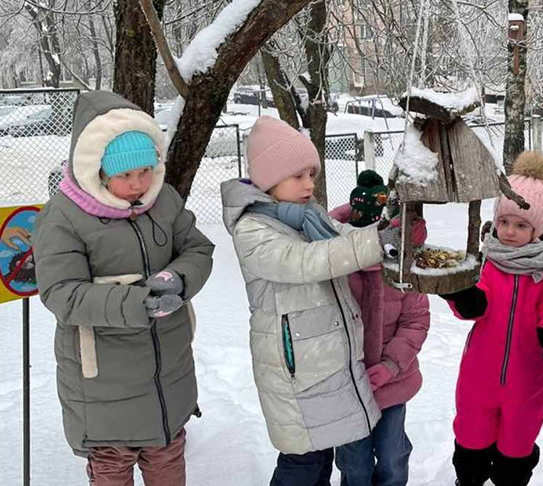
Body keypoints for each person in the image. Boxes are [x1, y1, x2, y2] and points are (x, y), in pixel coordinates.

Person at [34, 90, 214, 485]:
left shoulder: (162, 200)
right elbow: (61, 291)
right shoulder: (64, 218)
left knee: (167, 456)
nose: (138, 185)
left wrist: (178, 279)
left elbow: (198, 248)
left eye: (145, 171)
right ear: (97, 172)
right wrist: (136, 303)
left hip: (167, 373)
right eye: (124, 176)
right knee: (113, 466)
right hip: (103, 380)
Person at [220, 117, 400, 486]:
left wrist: (384, 233)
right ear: (270, 180)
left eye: (312, 175)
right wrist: (371, 245)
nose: (309, 184)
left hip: (326, 360)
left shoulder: (307, 215)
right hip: (294, 370)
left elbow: (340, 237)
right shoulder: (253, 230)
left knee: (321, 456)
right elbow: (307, 261)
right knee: (302, 462)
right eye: (298, 176)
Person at [441, 151, 543, 486]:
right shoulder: (487, 263)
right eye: (504, 222)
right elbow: (476, 302)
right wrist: (463, 297)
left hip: (527, 382)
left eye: (521, 224)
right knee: (471, 441)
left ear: (538, 228)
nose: (510, 231)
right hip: (478, 378)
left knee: (516, 448)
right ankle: (467, 479)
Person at [329, 170, 431, 486]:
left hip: (394, 381)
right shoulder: (334, 263)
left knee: (391, 455)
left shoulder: (403, 266)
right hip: (349, 386)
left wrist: (390, 365)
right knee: (354, 463)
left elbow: (415, 321)